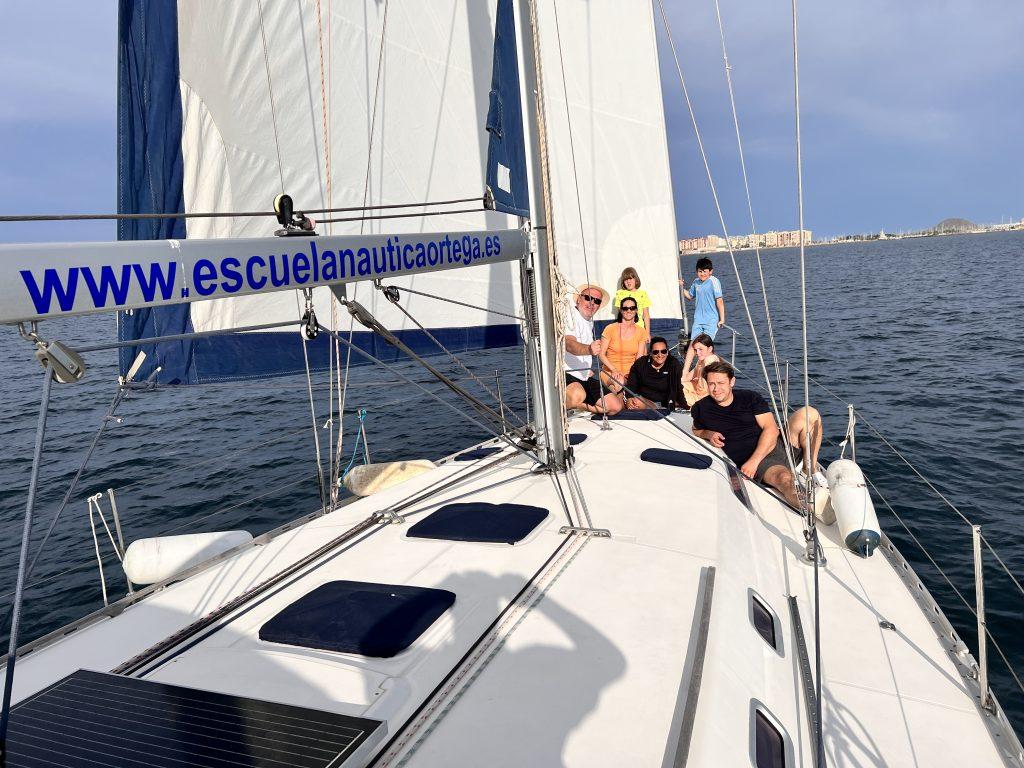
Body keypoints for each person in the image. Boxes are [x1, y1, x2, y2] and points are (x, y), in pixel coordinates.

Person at [690, 361, 822, 508]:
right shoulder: (701, 408)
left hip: (776, 445)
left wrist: (753, 461)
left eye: (721, 383)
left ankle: (809, 469)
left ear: (732, 382)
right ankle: (813, 508)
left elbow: (771, 429)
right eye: (711, 384)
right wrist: (709, 434)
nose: (716, 389)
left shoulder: (750, 398)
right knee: (784, 479)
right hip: (764, 463)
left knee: (810, 413)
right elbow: (696, 430)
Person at [564, 283, 624, 415]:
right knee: (576, 395)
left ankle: (579, 405)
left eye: (596, 301)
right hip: (566, 374)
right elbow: (568, 343)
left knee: (615, 407)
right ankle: (558, 407)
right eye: (588, 298)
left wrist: (587, 368)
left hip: (584, 375)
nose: (592, 303)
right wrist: (589, 350)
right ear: (579, 298)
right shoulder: (571, 315)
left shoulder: (588, 321)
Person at [680, 257, 725, 375]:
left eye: (705, 271)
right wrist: (681, 286)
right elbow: (690, 296)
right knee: (693, 345)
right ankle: (685, 372)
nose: (702, 274)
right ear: (697, 272)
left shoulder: (714, 281)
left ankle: (701, 372)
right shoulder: (696, 282)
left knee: (704, 347)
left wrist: (722, 319)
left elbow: (719, 301)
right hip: (698, 320)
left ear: (711, 271)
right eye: (700, 271)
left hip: (711, 320)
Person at [598, 298, 649, 393]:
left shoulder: (641, 331)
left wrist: (633, 374)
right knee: (619, 381)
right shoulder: (610, 329)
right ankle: (613, 403)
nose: (629, 311)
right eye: (625, 308)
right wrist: (614, 370)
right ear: (621, 310)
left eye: (632, 308)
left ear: (636, 310)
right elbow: (601, 354)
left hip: (631, 373)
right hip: (610, 371)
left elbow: (639, 358)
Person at [623, 336, 684, 411]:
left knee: (637, 402)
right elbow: (631, 385)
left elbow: (677, 388)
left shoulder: (673, 364)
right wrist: (629, 398)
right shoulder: (641, 363)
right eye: (655, 352)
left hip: (663, 404)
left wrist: (683, 406)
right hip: (644, 400)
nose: (660, 355)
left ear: (667, 352)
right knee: (635, 401)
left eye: (663, 351)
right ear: (650, 353)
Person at [682, 333, 720, 408]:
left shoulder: (709, 361)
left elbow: (707, 391)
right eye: (696, 350)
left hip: (702, 398)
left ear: (710, 349)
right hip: (697, 391)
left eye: (700, 349)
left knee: (673, 391)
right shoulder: (701, 360)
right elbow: (687, 378)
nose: (697, 353)